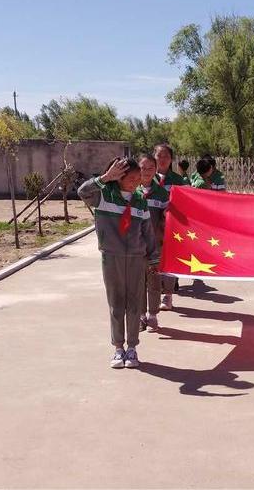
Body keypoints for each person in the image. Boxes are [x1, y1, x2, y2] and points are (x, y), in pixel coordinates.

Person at [78, 157, 159, 369]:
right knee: (116, 304)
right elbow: (82, 192)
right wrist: (104, 178)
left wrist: (153, 258)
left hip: (136, 259)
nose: (135, 182)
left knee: (134, 304)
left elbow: (148, 231)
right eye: (131, 178)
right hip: (111, 257)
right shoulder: (104, 195)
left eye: (138, 178)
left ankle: (132, 348)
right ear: (118, 177)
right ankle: (118, 348)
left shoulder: (140, 200)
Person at [137, 153, 171, 333]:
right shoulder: (130, 190)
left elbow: (168, 218)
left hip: (155, 246)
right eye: (143, 168)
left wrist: (166, 216)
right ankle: (141, 315)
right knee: (138, 282)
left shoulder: (162, 193)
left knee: (154, 282)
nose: (147, 171)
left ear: (156, 169)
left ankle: (152, 315)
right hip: (134, 246)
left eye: (151, 168)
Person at [153, 144, 186, 311]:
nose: (163, 159)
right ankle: (153, 294)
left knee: (170, 261)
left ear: (171, 159)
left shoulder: (178, 180)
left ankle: (168, 295)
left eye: (166, 156)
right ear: (154, 157)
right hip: (150, 225)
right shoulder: (146, 177)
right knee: (152, 261)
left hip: (171, 227)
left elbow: (185, 203)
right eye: (159, 155)